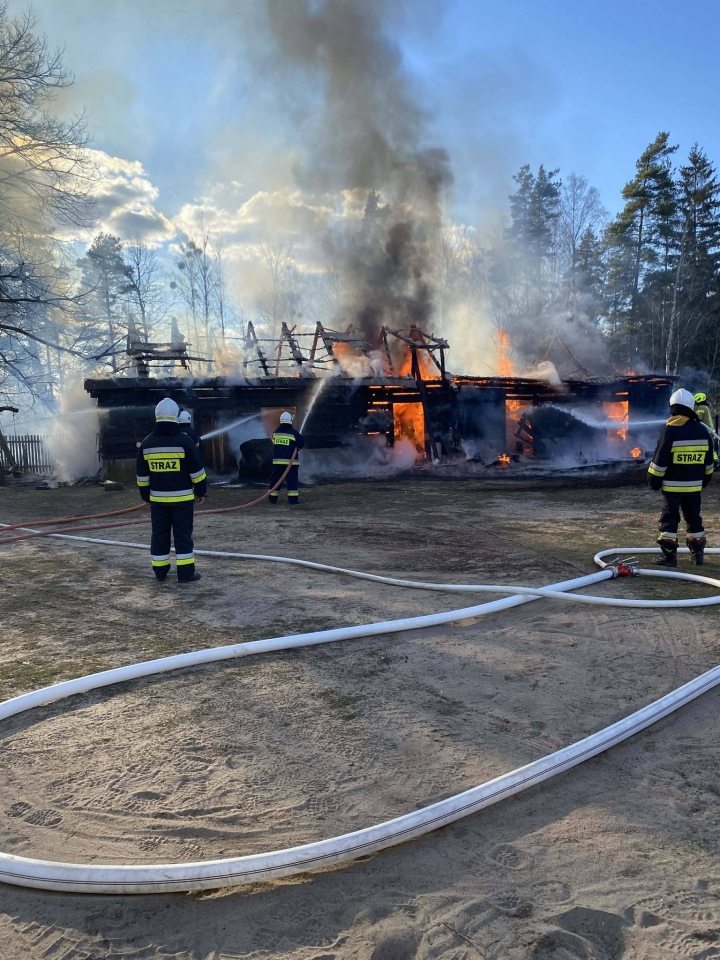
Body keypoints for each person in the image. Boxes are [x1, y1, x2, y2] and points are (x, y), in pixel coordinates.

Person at [136, 398, 207, 583]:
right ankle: (185, 574)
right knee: (182, 536)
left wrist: (146, 496)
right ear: (176, 417)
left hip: (158, 502)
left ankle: (160, 572)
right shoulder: (184, 441)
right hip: (182, 501)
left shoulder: (147, 443)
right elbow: (197, 472)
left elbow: (142, 476)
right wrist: (200, 491)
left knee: (159, 535)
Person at [647, 388, 714, 566]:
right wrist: (702, 481)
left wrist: (653, 480)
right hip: (694, 488)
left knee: (669, 520)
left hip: (672, 488)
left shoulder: (670, 430)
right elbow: (709, 464)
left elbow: (659, 461)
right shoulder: (702, 431)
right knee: (694, 519)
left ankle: (669, 557)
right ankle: (697, 556)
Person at [268, 411, 304, 506]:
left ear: (281, 421)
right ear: (290, 421)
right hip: (291, 463)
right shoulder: (294, 433)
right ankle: (293, 501)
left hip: (277, 462)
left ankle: (272, 498)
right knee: (291, 481)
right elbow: (301, 444)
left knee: (276, 479)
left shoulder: (276, 433)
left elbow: (273, 441)